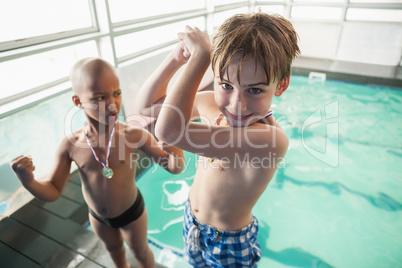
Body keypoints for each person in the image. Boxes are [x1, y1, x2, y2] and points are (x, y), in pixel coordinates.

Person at [136, 11, 300, 267]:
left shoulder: (270, 139)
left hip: (230, 242)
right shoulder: (211, 105)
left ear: (281, 85)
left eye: (254, 89)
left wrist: (201, 57)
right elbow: (147, 108)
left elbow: (168, 132)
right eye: (226, 85)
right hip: (191, 221)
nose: (237, 104)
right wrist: (175, 59)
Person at [10, 57, 185, 268]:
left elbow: (174, 167)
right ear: (78, 102)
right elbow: (53, 190)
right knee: (114, 251)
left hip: (132, 214)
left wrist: (175, 146)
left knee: (141, 252)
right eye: (100, 97)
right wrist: (28, 181)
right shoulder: (71, 145)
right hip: (98, 217)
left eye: (117, 93)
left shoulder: (133, 135)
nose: (112, 104)